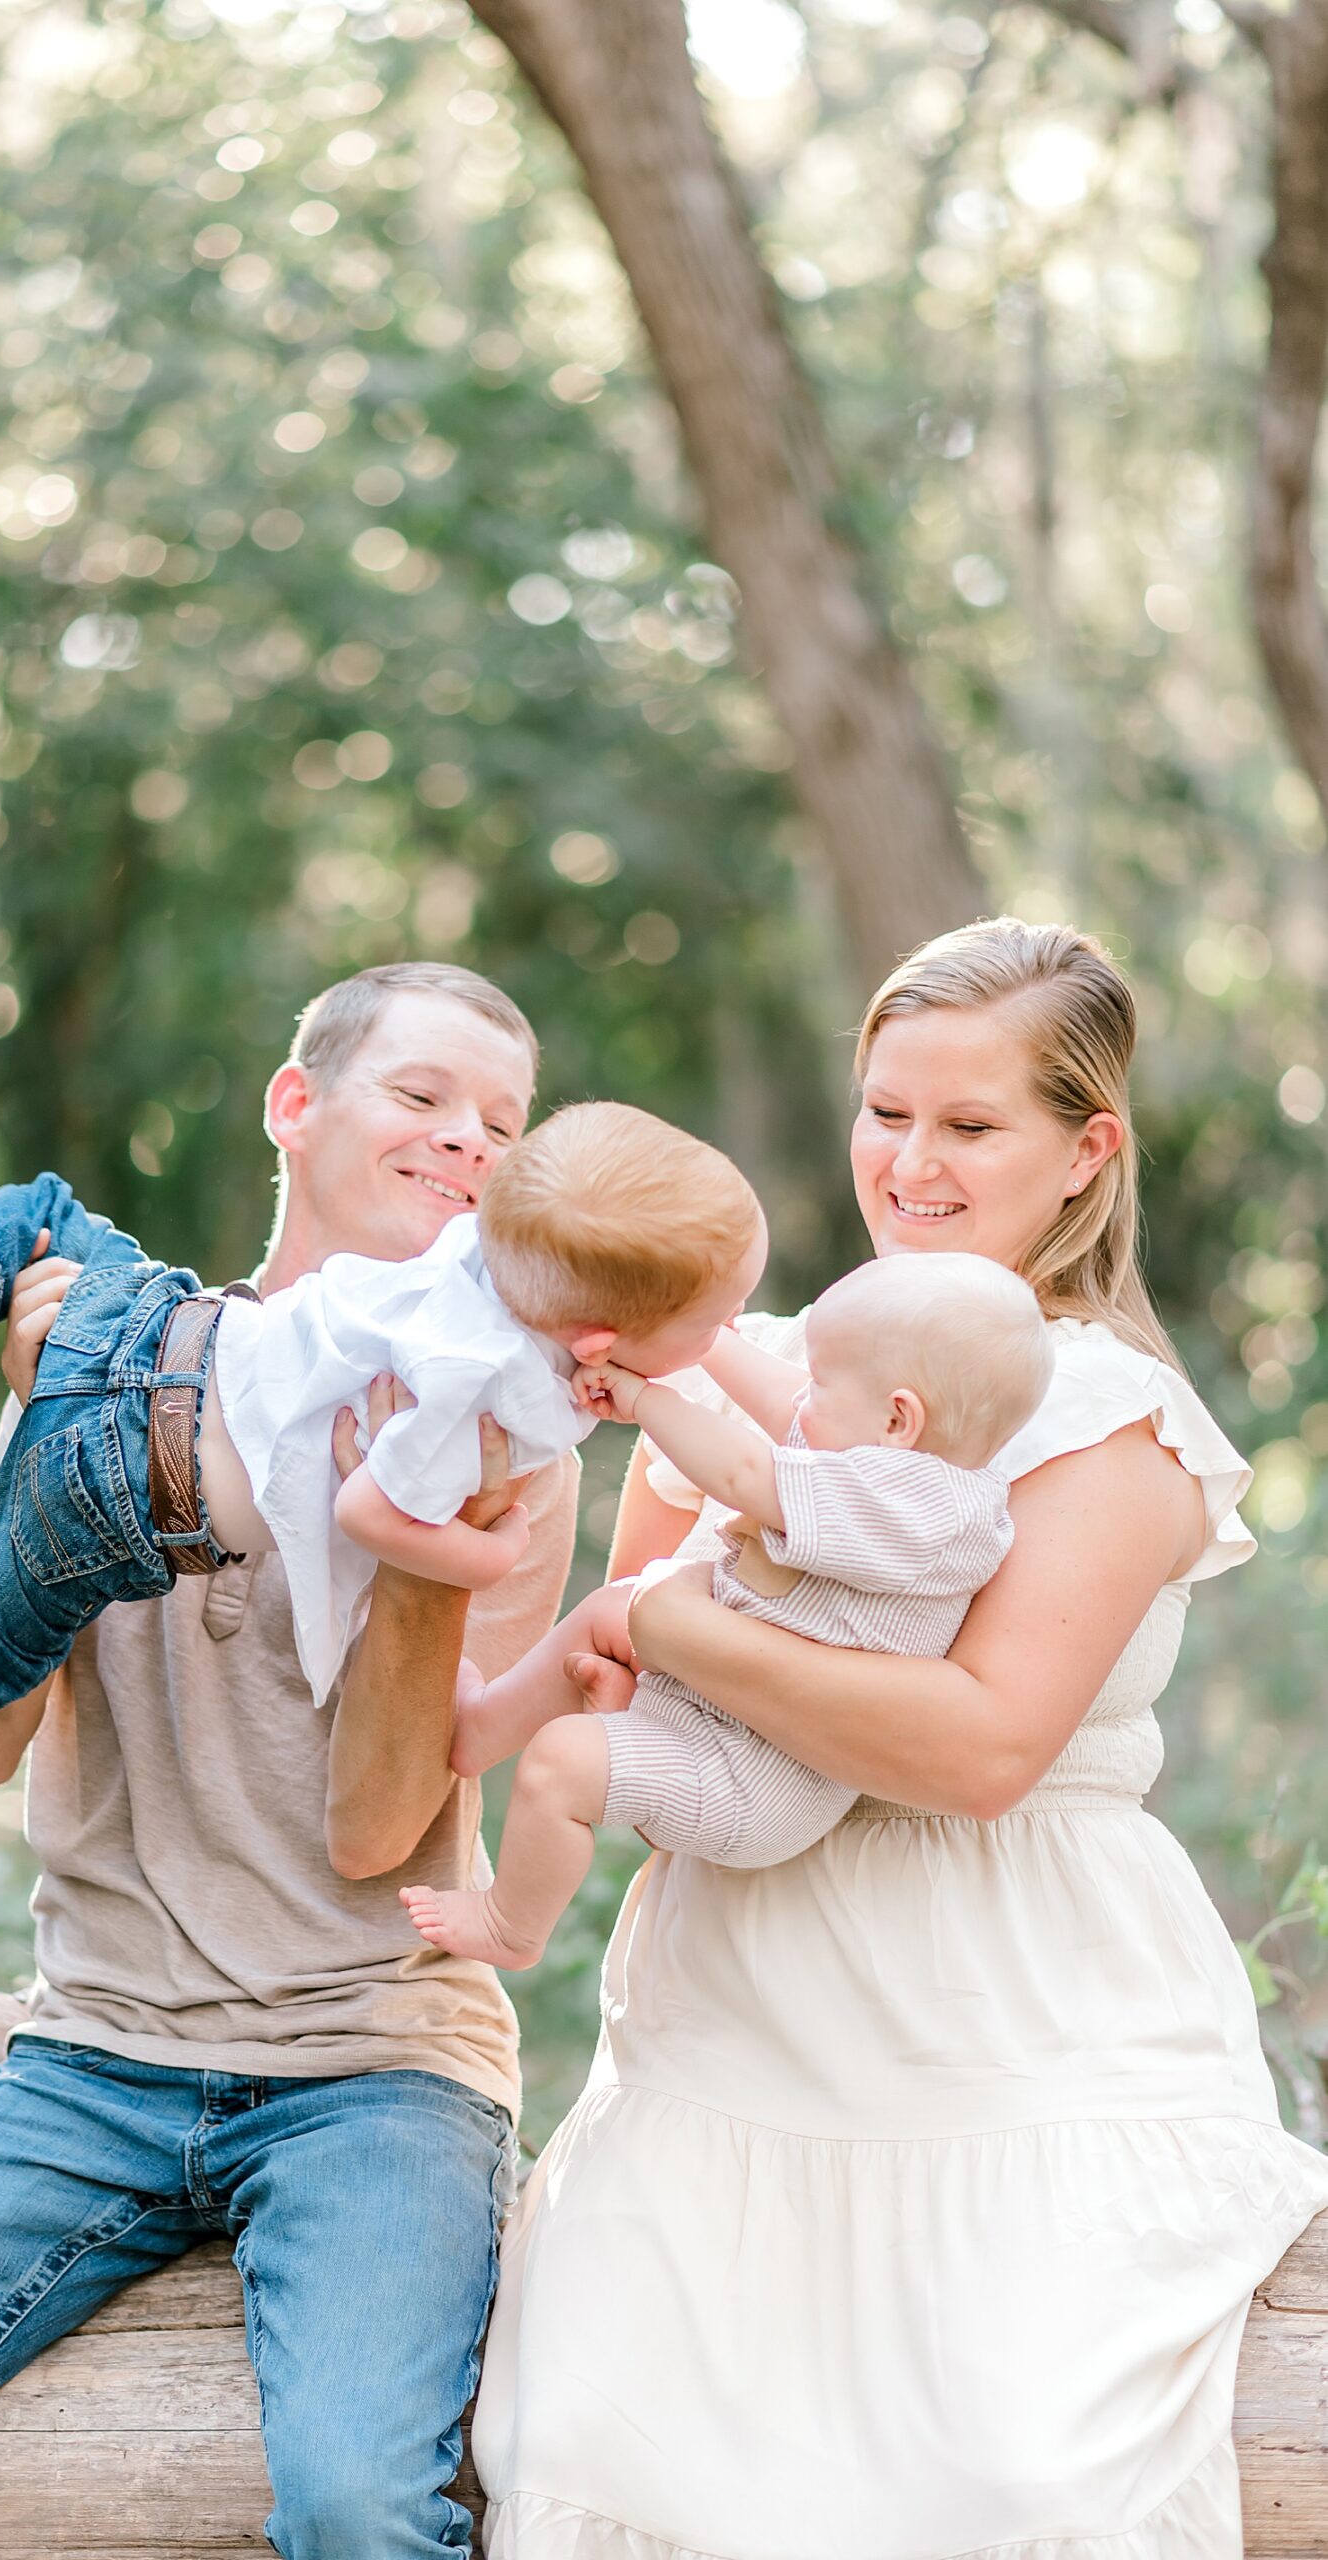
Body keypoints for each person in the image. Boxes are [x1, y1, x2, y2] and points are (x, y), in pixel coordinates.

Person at [0, 961, 583, 2560]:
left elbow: (382, 1830)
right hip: (94, 2057)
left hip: (373, 2070)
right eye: (422, 1097)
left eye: (502, 1126)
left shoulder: (506, 1432)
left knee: (365, 2506)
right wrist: (42, 1447)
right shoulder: (105, 1362)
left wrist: (415, 1552)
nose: (465, 1144)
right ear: (297, 1107)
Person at [473, 919, 1328, 2560]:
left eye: (966, 1125)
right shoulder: (764, 1377)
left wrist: (667, 1623)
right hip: (737, 2024)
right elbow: (635, 1665)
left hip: (1007, 2018)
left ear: (1085, 1151)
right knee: (610, 2460)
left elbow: (972, 1746)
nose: (907, 1162)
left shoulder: (1109, 1415)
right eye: (884, 1112)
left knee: (1009, 2476)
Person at [0, 1105, 761, 1900]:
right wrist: (480, 1549)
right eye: (708, 1327)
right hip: (122, 1496)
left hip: (160, 1331)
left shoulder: (475, 1254)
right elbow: (372, 1514)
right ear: (600, 1342)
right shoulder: (484, 1408)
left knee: (53, 1213)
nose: (469, 1137)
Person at [401, 1253, 1051, 1970]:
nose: (803, 1400)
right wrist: (705, 1339)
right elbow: (783, 1403)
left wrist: (646, 1401)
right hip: (715, 1707)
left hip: (746, 1777)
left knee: (562, 1763)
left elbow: (745, 1470)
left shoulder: (918, 1508)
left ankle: (510, 1926)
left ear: (899, 1417)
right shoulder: (887, 1455)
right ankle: (479, 1730)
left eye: (824, 1384)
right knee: (612, 1608)